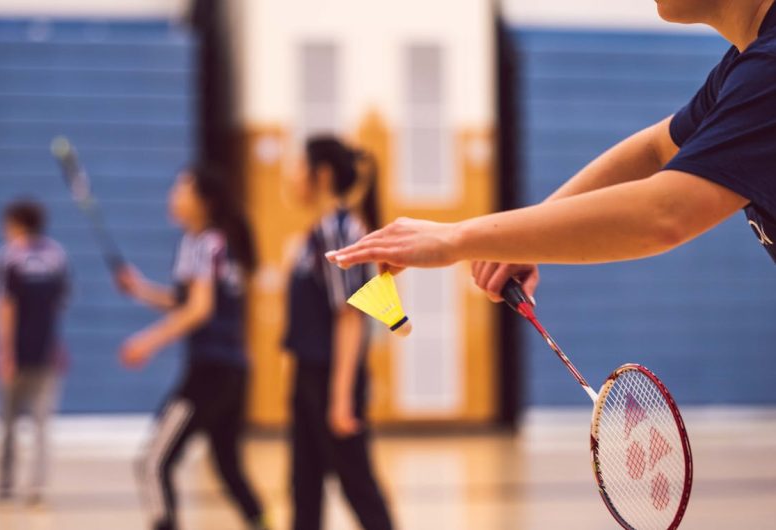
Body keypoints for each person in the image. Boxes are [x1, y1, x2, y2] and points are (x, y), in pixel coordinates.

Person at [327, 0, 776, 299]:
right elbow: (656, 150)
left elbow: (665, 213)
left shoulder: (769, 68)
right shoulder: (744, 66)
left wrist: (456, 237)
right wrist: (522, 241)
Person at [115, 166, 269, 530]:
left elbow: (199, 309)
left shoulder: (205, 243)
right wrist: (140, 289)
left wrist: (146, 342)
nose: (173, 197)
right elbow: (186, 300)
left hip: (211, 374)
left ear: (204, 202)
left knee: (153, 462)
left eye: (181, 190)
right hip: (234, 372)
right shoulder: (214, 242)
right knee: (229, 468)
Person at [283, 136, 394, 530]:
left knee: (359, 490)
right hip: (310, 377)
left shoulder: (340, 230)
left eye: (298, 167)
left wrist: (341, 397)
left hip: (330, 378)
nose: (291, 176)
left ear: (322, 174)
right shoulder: (321, 230)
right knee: (304, 489)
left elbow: (350, 316)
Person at [0, 200, 69, 504]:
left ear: (17, 223)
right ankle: (38, 486)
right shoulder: (57, 255)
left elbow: (4, 307)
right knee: (41, 424)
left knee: (8, 422)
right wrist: (58, 345)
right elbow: (58, 307)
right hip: (46, 351)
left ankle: (5, 483)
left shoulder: (6, 257)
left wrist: (4, 353)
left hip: (18, 354)